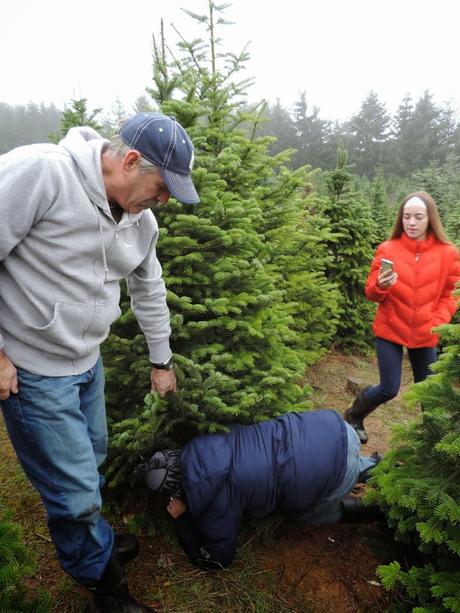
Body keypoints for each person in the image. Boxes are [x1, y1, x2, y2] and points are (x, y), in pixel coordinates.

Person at [0, 112, 199, 613]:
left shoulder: (140, 220)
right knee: (74, 492)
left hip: (88, 364)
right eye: (161, 187)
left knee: (91, 459)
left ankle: (96, 540)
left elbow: (149, 289)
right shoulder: (41, 173)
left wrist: (162, 358)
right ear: (130, 161)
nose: (165, 200)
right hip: (33, 372)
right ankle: (106, 592)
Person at [140, 409, 383, 570]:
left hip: (332, 472)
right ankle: (379, 467)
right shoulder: (211, 438)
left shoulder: (213, 504)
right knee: (336, 461)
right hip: (334, 428)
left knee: (304, 512)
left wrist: (183, 519)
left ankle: (367, 510)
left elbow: (218, 558)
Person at [345, 191, 460, 444]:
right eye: (407, 216)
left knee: (427, 392)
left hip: (426, 330)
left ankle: (433, 445)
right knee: (389, 388)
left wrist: (437, 322)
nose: (411, 222)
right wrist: (381, 285)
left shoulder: (448, 253)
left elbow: (453, 293)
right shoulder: (388, 248)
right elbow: (371, 292)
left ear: (430, 218)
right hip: (390, 328)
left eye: (418, 217)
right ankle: (354, 415)